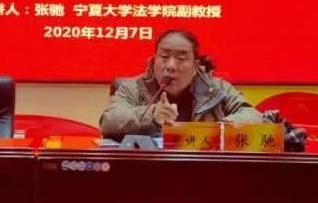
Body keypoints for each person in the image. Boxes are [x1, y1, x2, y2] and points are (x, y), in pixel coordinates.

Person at [100, 29, 263, 138]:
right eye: (164, 57)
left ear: (195, 65)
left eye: (181, 59)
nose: (171, 66)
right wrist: (153, 115)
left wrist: (219, 130)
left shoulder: (216, 89)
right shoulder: (134, 87)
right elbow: (109, 121)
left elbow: (253, 115)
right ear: (154, 60)